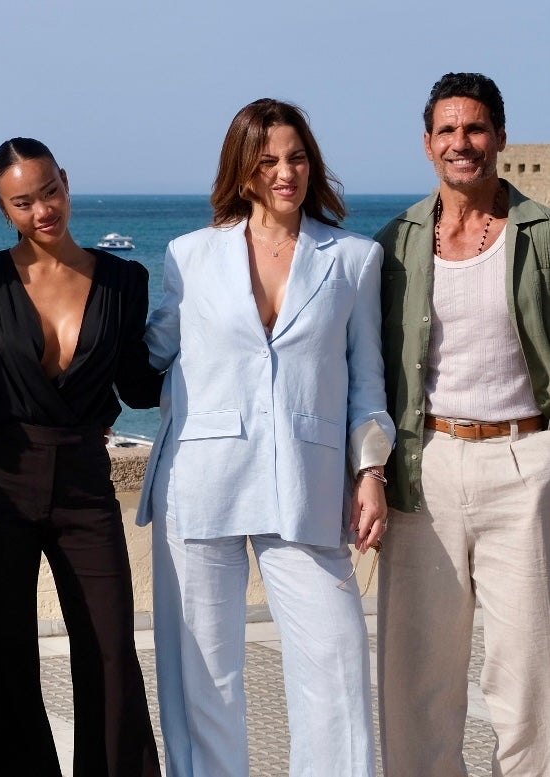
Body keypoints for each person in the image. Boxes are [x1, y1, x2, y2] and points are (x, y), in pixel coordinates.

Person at [136, 99, 394, 777]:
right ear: (243, 169)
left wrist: (369, 471)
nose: (285, 171)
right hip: (199, 482)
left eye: (297, 156)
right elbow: (153, 354)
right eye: (268, 159)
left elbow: (366, 380)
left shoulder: (353, 260)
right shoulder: (188, 255)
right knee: (203, 677)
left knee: (336, 663)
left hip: (305, 485)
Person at [0, 137, 163, 777]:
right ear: (3, 208)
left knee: (108, 649)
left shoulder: (126, 280)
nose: (43, 210)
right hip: (0, 480)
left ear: (66, 183)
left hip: (84, 482)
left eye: (50, 191)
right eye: (23, 202)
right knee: (5, 653)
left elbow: (139, 384)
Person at [376, 73, 550, 777]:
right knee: (416, 677)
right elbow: (370, 367)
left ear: (499, 139)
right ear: (426, 144)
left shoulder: (539, 233)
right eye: (446, 131)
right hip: (427, 467)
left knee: (528, 675)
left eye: (474, 128)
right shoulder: (397, 242)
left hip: (524, 462)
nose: (461, 143)